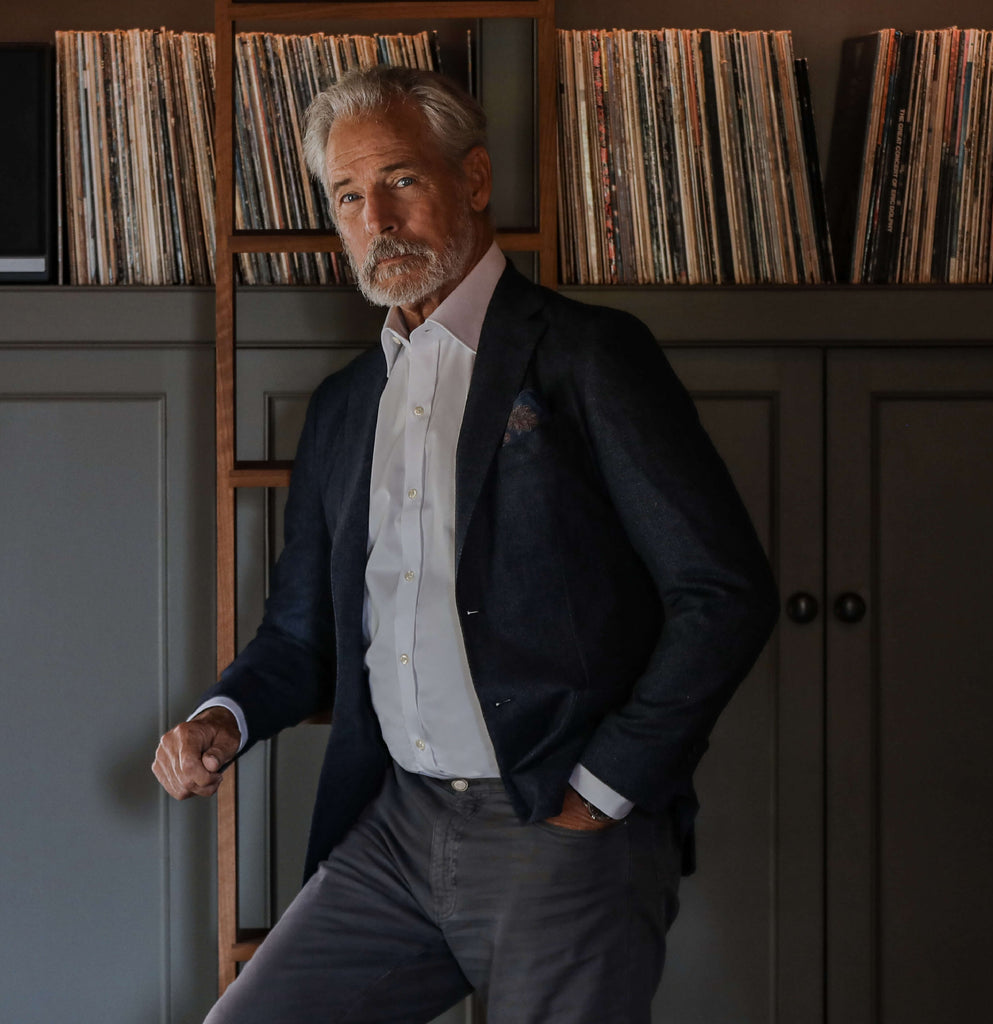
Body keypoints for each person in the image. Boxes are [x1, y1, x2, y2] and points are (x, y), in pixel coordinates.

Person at [152, 65, 778, 1023]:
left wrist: (600, 796)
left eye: (401, 178)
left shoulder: (587, 355)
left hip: (558, 825)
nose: (378, 217)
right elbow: (299, 637)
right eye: (350, 196)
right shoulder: (342, 410)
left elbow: (721, 591)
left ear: (473, 180)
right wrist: (223, 719)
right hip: (394, 830)